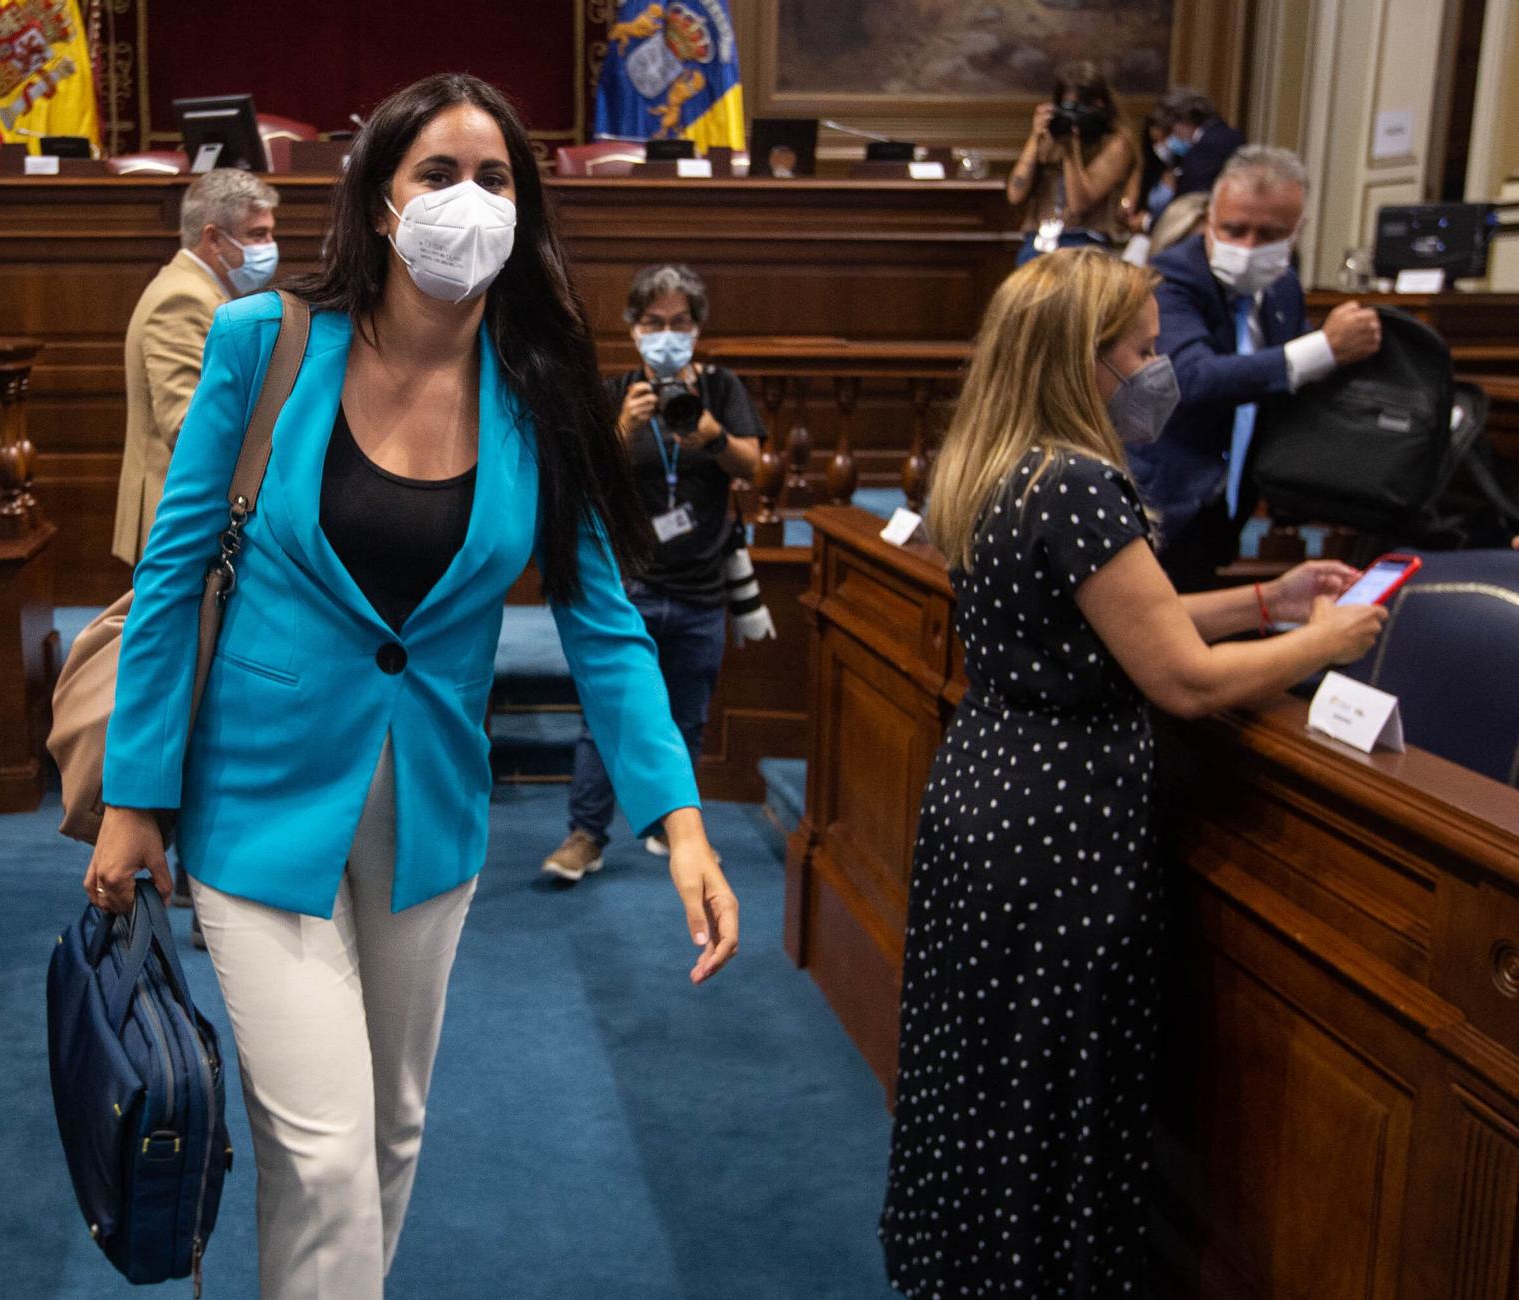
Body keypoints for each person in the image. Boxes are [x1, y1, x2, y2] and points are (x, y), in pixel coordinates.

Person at [83, 73, 739, 1300]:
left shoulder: (541, 388)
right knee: (322, 1154)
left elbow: (600, 619)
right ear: (379, 203)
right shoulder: (261, 340)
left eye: (494, 177)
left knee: (382, 1135)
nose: (467, 199)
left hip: (429, 807)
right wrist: (135, 794)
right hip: (256, 795)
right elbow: (174, 575)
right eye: (437, 174)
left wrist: (678, 814)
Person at [881, 248, 1387, 1296]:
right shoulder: (1076, 482)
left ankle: (966, 1265)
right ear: (1083, 359)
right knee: (1052, 1076)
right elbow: (1183, 680)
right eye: (1143, 351)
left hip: (985, 791)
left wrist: (1267, 601)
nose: (1158, 370)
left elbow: (1116, 613)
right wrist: (1325, 641)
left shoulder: (993, 461)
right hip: (1057, 825)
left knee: (981, 1067)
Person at [543, 264, 766, 881]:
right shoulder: (614, 392)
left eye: (679, 323)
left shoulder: (719, 391)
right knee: (604, 717)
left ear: (697, 328)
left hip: (701, 586)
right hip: (629, 587)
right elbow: (582, 479)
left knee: (688, 717)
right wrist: (624, 429)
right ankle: (586, 835)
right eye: (654, 323)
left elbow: (755, 469)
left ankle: (675, 832)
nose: (667, 334)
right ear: (633, 328)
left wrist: (713, 437)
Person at [1129, 146, 1383, 590]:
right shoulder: (1169, 277)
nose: (1247, 247)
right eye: (1234, 229)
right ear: (1210, 219)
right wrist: (1324, 347)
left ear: (1297, 231)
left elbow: (1282, 375)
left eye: (1269, 234)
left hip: (1229, 503)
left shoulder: (1281, 286)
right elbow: (1190, 378)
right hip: (1162, 501)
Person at [111, 168, 281, 568]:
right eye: (257, 235)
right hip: (179, 519)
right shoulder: (183, 299)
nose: (270, 247)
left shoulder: (201, 291)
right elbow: (184, 424)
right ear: (213, 239)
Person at [1006, 62, 1141, 265]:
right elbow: (1015, 195)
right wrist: (1035, 138)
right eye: (1066, 107)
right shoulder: (1050, 136)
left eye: (1079, 108)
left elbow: (1079, 204)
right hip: (1038, 241)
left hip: (1085, 243)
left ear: (1098, 105)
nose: (1072, 116)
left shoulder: (1116, 143)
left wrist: (1071, 150)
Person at [1157, 88, 1246, 198]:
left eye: (1172, 129)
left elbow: (1192, 197)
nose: (1173, 136)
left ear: (1184, 121)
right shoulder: (1232, 135)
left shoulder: (1204, 148)